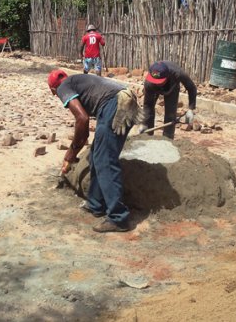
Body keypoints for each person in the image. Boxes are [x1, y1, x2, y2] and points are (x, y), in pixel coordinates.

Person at [48, 69, 139, 233]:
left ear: (53, 89)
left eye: (55, 93)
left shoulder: (63, 87)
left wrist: (71, 153)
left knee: (106, 160)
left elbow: (82, 119)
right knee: (97, 154)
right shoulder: (77, 80)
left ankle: (118, 218)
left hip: (113, 104)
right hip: (125, 100)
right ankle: (96, 203)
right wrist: (76, 147)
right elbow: (84, 131)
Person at [140, 61, 197, 140]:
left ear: (166, 77)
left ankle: (167, 140)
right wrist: (144, 124)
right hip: (152, 87)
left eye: (159, 82)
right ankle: (148, 137)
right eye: (155, 81)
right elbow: (147, 105)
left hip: (172, 87)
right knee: (148, 115)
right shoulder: (150, 82)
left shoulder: (178, 73)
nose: (157, 84)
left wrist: (191, 108)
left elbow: (191, 87)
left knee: (170, 115)